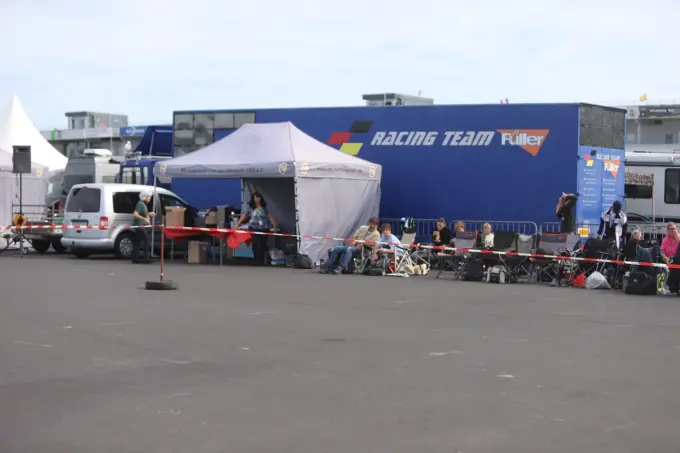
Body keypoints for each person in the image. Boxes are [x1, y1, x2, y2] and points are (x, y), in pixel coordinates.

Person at [236, 192, 277, 266]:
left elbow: (270, 216)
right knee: (256, 244)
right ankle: (257, 261)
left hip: (264, 228)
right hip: (254, 228)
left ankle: (262, 260)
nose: (257, 199)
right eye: (255, 198)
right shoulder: (250, 208)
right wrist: (237, 224)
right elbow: (244, 216)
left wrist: (274, 226)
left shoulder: (264, 208)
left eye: (258, 197)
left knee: (262, 244)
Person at [132, 192, 155, 263]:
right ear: (145, 197)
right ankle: (146, 258)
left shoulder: (143, 204)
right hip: (140, 226)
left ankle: (135, 259)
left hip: (141, 226)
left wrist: (149, 213)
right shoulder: (140, 204)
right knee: (146, 241)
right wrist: (144, 219)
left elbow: (143, 213)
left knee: (138, 242)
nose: (150, 198)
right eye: (149, 196)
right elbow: (135, 214)